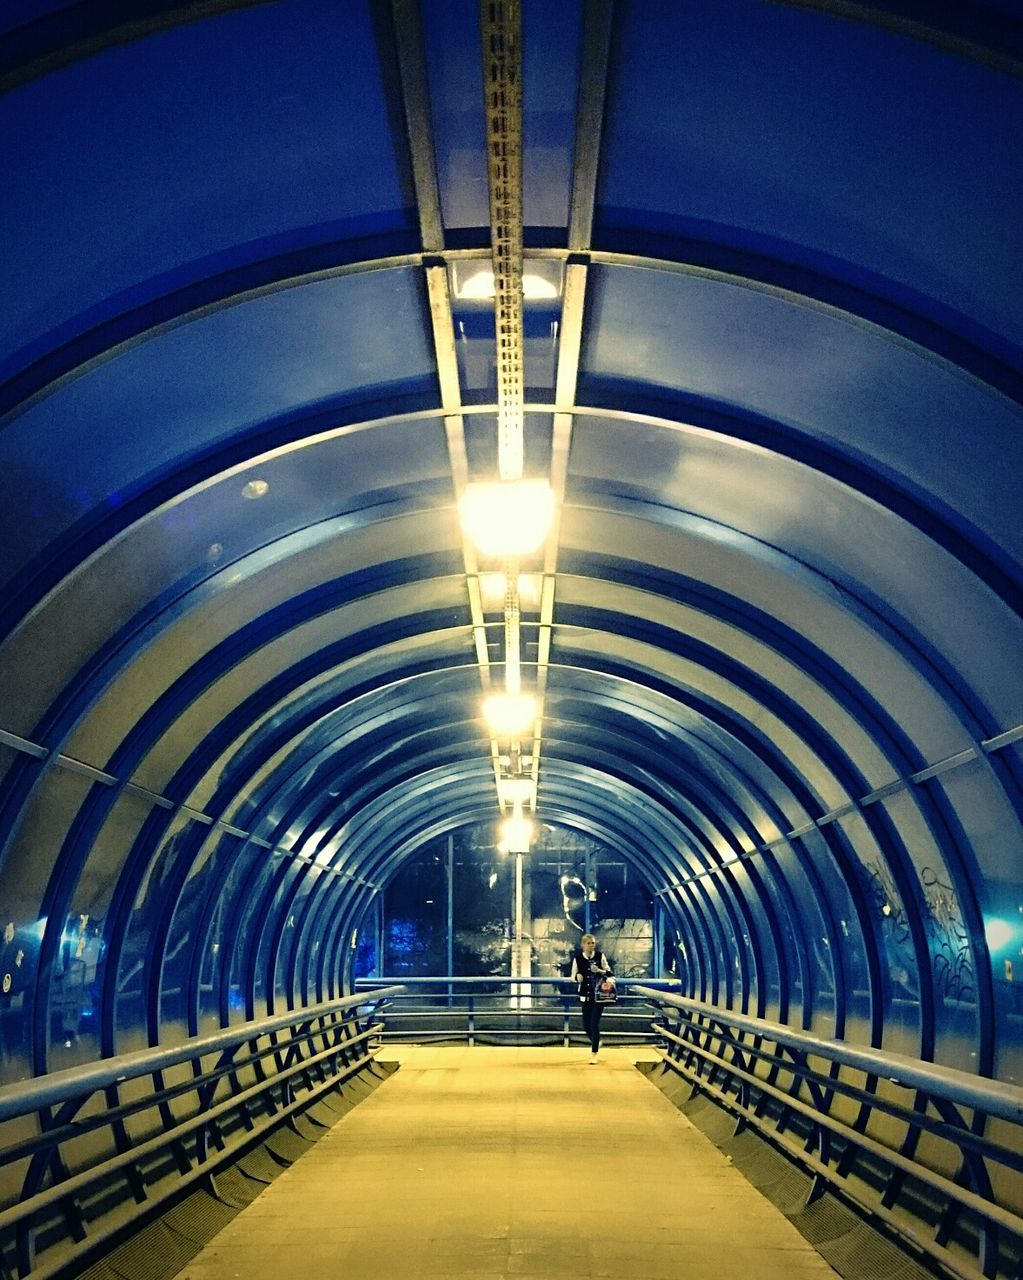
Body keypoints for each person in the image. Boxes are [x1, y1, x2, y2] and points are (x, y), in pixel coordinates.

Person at [571, 933, 614, 1062]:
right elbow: (572, 975)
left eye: (593, 943)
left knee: (594, 1022)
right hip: (585, 994)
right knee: (586, 1024)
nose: (591, 946)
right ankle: (596, 1041)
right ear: (583, 945)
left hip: (598, 995)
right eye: (588, 943)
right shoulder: (578, 959)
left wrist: (599, 971)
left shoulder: (600, 956)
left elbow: (609, 972)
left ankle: (594, 1053)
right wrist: (577, 977)